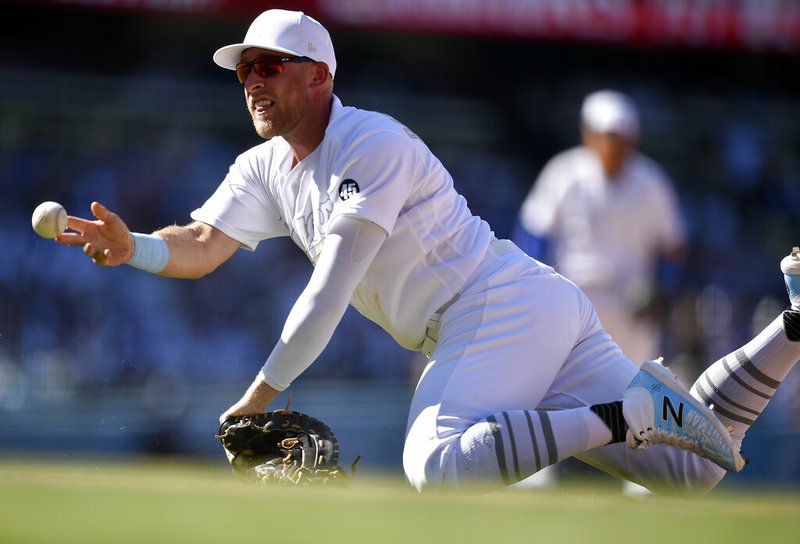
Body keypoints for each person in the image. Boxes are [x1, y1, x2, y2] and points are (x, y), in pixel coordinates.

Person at [57, 9, 800, 496]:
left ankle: (623, 412)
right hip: (521, 307)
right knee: (691, 470)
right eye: (244, 69)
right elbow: (204, 243)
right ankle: (793, 327)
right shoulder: (264, 166)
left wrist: (260, 394)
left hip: (490, 305)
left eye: (268, 66)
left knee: (434, 467)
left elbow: (330, 288)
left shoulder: (367, 141)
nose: (251, 81)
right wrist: (137, 249)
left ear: (319, 76)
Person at [514, 90, 686, 366]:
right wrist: (535, 286)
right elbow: (534, 232)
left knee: (634, 384)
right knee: (567, 378)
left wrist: (662, 288)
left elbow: (672, 246)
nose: (615, 145)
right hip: (575, 292)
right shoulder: (564, 172)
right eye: (608, 136)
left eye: (621, 137)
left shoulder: (651, 181)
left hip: (633, 300)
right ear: (589, 134)